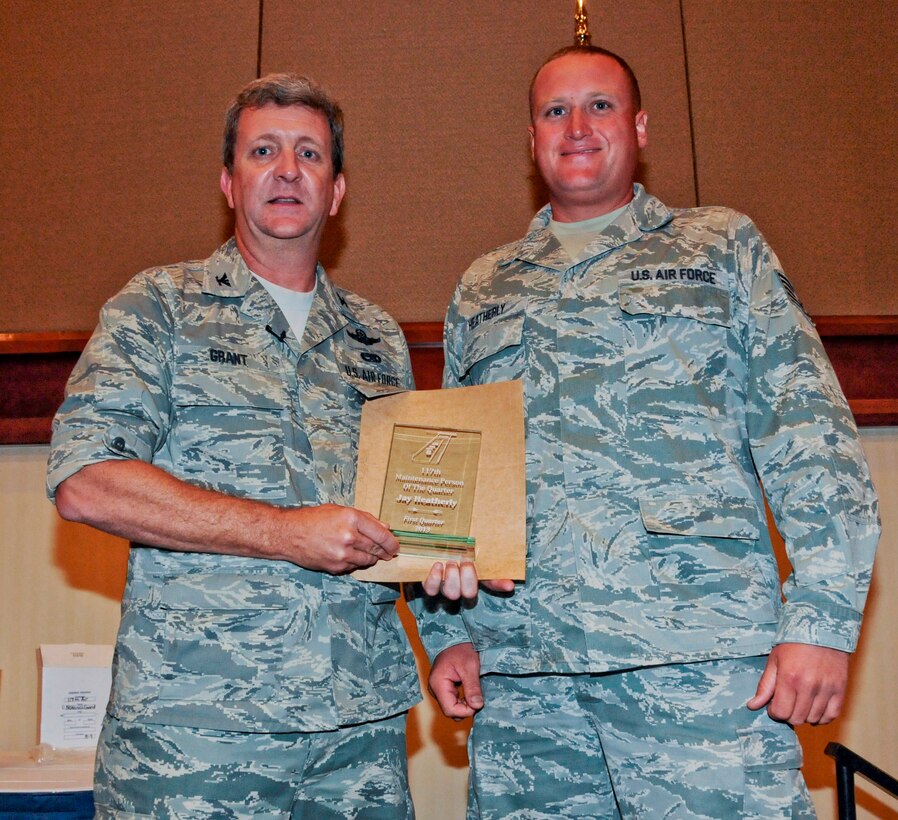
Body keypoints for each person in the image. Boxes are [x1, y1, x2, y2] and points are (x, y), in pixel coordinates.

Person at [414, 46, 881, 818]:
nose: (577, 126)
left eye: (600, 105)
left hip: (699, 663)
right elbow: (451, 478)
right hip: (529, 683)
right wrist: (447, 636)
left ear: (639, 126)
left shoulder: (720, 248)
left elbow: (810, 438)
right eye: (554, 111)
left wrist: (824, 622)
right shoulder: (484, 286)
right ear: (532, 139)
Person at [47, 73, 455, 818]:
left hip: (356, 739)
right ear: (229, 182)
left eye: (310, 153)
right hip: (196, 737)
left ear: (336, 191)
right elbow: (87, 480)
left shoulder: (377, 339)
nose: (288, 169)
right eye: (263, 150)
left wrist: (449, 628)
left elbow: (408, 523)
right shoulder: (158, 308)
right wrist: (282, 533)